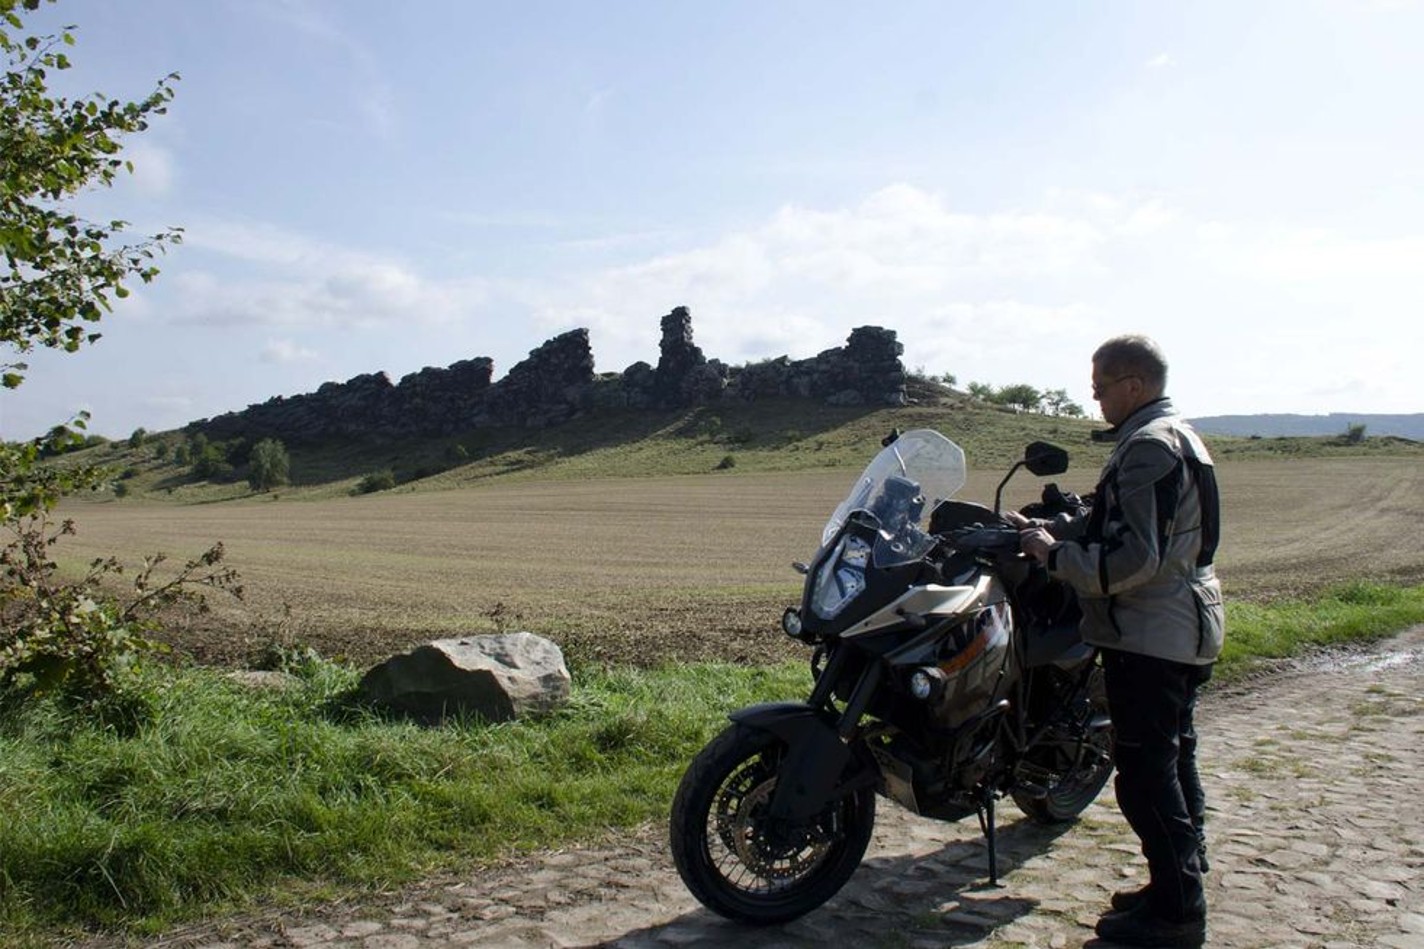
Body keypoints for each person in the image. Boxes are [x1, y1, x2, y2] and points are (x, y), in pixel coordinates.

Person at [1008, 335, 1223, 948]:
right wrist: (1052, 525)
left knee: (1146, 776)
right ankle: (1174, 884)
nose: (1095, 396)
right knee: (1174, 757)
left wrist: (1054, 556)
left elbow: (1136, 556)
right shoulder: (1174, 434)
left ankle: (1178, 914)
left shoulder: (1149, 446)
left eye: (1101, 385)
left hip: (1154, 629)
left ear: (1134, 384)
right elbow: (1122, 521)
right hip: (1181, 621)